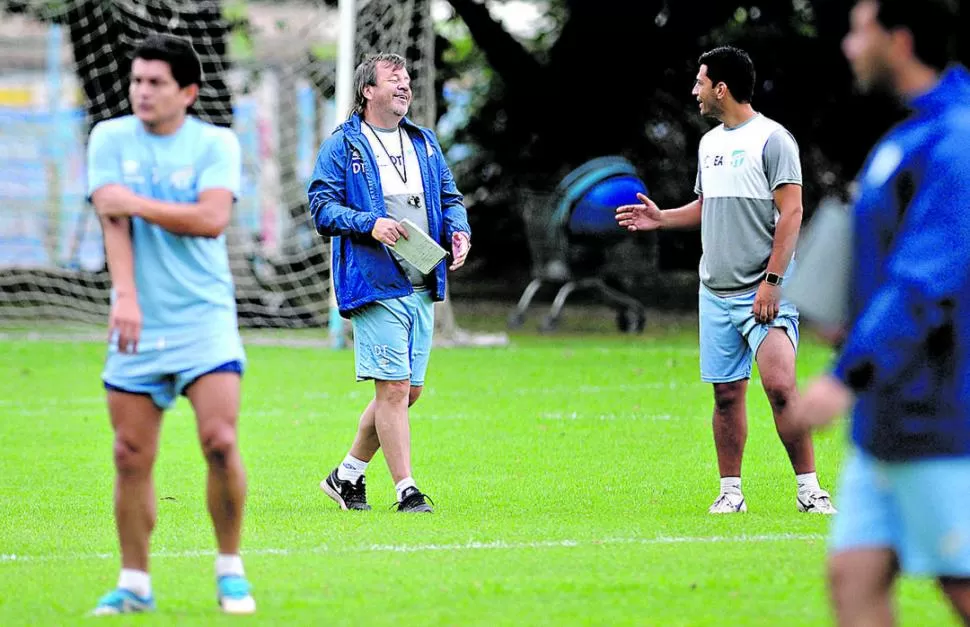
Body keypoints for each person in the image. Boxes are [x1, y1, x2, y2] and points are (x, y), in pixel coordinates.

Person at [791, 1, 970, 624]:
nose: (846, 46)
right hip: (887, 417)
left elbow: (925, 280)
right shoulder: (905, 138)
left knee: (962, 587)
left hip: (944, 412)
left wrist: (847, 374)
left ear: (897, 39)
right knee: (854, 581)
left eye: (857, 30)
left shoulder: (958, 141)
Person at [616, 46, 835, 515]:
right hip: (714, 292)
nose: (694, 90)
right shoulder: (709, 143)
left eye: (700, 81)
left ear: (721, 87)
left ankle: (810, 490)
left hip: (765, 286)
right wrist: (662, 218)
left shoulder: (774, 140)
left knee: (780, 387)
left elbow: (792, 211)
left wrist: (773, 282)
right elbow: (706, 205)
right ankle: (730, 492)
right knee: (726, 392)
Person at [87, 34, 255, 615]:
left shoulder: (215, 144)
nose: (142, 92)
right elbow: (111, 222)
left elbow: (211, 219)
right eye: (137, 81)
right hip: (138, 319)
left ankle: (230, 569)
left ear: (187, 92)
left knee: (219, 441)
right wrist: (125, 296)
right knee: (130, 453)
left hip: (204, 319)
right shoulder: (108, 138)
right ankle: (134, 583)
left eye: (156, 82)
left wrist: (133, 202)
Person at [307, 53, 471, 514]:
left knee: (407, 392)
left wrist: (459, 232)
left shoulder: (424, 142)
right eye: (393, 79)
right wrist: (369, 223)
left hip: (423, 280)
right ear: (368, 91)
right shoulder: (344, 144)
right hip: (375, 282)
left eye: (406, 80)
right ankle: (407, 490)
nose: (404, 85)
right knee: (394, 391)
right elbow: (321, 206)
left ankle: (347, 476)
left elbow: (449, 198)